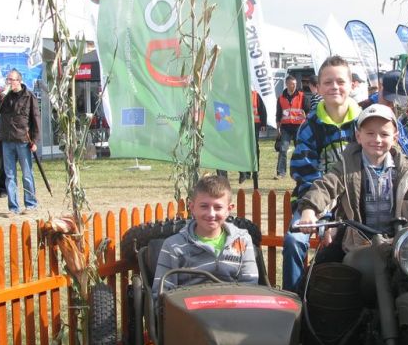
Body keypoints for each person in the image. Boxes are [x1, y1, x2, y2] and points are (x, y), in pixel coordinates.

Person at [296, 103, 408, 253]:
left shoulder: (404, 170)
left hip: (401, 245)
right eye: (370, 133)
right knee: (333, 282)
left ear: (395, 138)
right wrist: (309, 210)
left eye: (384, 134)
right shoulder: (346, 167)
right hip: (359, 245)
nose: (377, 139)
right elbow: (326, 186)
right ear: (359, 136)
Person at [282, 55, 360, 292]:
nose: (334, 87)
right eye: (327, 82)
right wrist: (319, 211)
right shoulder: (311, 125)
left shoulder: (365, 121)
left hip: (357, 202)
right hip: (316, 201)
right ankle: (292, 301)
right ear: (317, 86)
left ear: (351, 85)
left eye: (340, 81)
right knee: (294, 241)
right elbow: (303, 168)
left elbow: (398, 148)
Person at [152, 175, 258, 303]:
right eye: (204, 206)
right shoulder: (173, 246)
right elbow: (162, 297)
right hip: (189, 317)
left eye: (218, 207)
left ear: (229, 209)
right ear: (192, 208)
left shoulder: (242, 240)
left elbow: (250, 288)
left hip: (233, 315)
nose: (211, 214)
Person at [0, 69, 41, 216]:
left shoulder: (28, 96)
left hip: (23, 140)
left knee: (27, 174)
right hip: (7, 140)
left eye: (12, 80)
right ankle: (13, 208)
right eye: (8, 79)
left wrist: (35, 140)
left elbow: (36, 118)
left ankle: (31, 204)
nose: (9, 82)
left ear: (19, 81)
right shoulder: (4, 97)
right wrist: (1, 95)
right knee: (10, 175)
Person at [274, 75, 306, 179]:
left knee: (299, 150)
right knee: (283, 149)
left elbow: (308, 111)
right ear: (287, 84)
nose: (294, 86)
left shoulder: (302, 96)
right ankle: (281, 173)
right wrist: (278, 129)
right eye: (292, 84)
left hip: (299, 127)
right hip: (285, 127)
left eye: (295, 84)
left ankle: (301, 171)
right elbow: (278, 114)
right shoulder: (281, 98)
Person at [239, 89, 267, 185]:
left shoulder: (256, 95)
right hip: (242, 126)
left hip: (254, 125)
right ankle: (244, 173)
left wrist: (263, 123)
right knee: (243, 149)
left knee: (254, 149)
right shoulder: (239, 94)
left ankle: (255, 170)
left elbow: (262, 110)